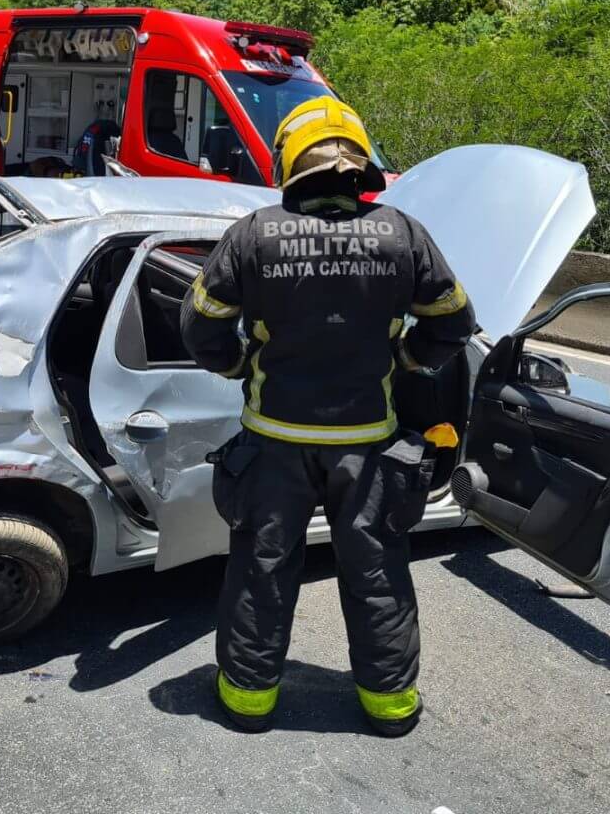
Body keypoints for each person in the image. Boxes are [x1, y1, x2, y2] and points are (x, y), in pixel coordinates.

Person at [180, 95, 477, 738]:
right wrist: (407, 359)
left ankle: (248, 702)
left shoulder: (254, 233)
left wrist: (240, 368)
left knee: (262, 569)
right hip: (367, 444)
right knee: (376, 570)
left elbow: (199, 325)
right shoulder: (402, 232)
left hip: (274, 441)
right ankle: (389, 705)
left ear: (291, 158)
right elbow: (455, 322)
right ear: (359, 159)